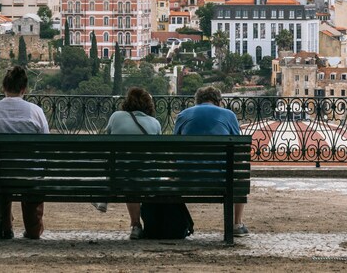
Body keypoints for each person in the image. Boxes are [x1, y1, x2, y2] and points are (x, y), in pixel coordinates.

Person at [0, 66, 49, 239]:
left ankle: (3, 227)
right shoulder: (35, 112)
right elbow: (45, 147)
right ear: (24, 89)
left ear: (4, 87)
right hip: (29, 176)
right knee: (31, 179)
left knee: (1, 182)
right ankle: (33, 229)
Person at [173, 85, 248, 236]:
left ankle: (171, 224)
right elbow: (240, 148)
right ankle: (236, 224)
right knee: (241, 170)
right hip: (220, 178)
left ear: (197, 101)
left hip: (185, 178)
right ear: (218, 101)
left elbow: (175, 148)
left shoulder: (183, 115)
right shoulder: (229, 115)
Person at [96, 87, 162, 240]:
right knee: (138, 175)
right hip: (149, 178)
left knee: (128, 175)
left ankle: (135, 224)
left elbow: (107, 140)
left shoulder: (116, 117)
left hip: (120, 178)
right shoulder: (155, 123)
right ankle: (146, 224)